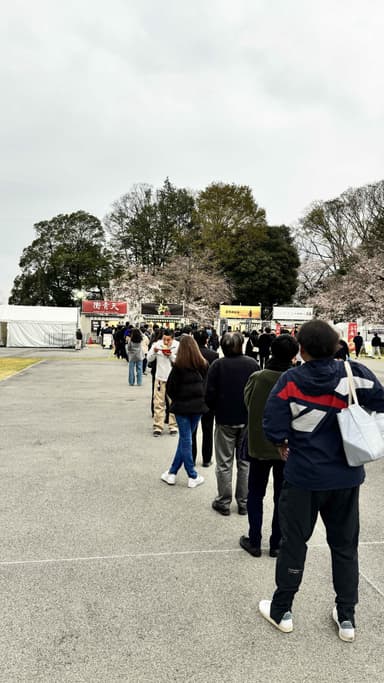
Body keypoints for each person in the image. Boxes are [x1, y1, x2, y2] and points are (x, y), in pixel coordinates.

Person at [259, 319, 384, 642]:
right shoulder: (355, 373)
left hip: (303, 476)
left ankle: (282, 609)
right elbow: (380, 403)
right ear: (337, 346)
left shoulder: (290, 380)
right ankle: (346, 616)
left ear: (301, 350)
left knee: (294, 543)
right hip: (347, 476)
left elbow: (272, 426)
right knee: (344, 547)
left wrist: (283, 443)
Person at [240, 334, 299, 558]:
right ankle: (277, 542)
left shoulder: (258, 377)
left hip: (259, 444)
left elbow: (247, 403)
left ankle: (254, 539)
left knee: (256, 492)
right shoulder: (295, 379)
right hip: (287, 447)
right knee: (281, 496)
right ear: (294, 355)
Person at [206, 332, 259, 516]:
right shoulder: (252, 364)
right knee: (245, 462)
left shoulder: (218, 365)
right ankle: (243, 502)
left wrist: (215, 408)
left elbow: (209, 394)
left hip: (224, 419)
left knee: (224, 463)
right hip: (246, 419)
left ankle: (224, 501)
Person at [161, 335, 208, 488]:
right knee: (186, 439)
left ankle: (190, 475)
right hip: (198, 407)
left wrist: (178, 399)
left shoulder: (177, 368)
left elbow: (170, 390)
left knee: (185, 439)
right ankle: (173, 473)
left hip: (181, 408)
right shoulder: (203, 365)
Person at [191, 329, 219, 467]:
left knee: (192, 429)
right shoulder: (214, 355)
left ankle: (191, 456)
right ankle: (207, 459)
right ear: (207, 340)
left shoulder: (190, 354)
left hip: (192, 395)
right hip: (208, 395)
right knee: (208, 428)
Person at [147, 328, 179, 436]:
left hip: (173, 379)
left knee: (173, 403)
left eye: (168, 340)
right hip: (160, 378)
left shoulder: (177, 346)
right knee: (158, 403)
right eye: (164, 339)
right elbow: (149, 358)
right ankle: (158, 426)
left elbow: (178, 361)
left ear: (173, 339)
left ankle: (173, 426)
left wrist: (170, 355)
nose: (166, 342)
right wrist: (154, 352)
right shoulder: (157, 344)